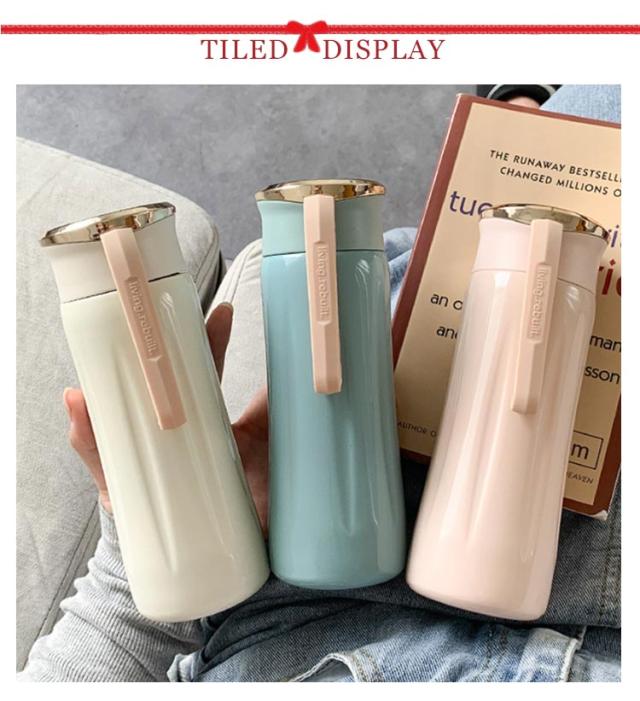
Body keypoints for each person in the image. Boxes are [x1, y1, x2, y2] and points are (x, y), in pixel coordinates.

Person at [19, 85, 621, 682]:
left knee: (551, 145)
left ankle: (517, 124)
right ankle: (523, 122)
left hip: (291, 609)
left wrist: (131, 564)